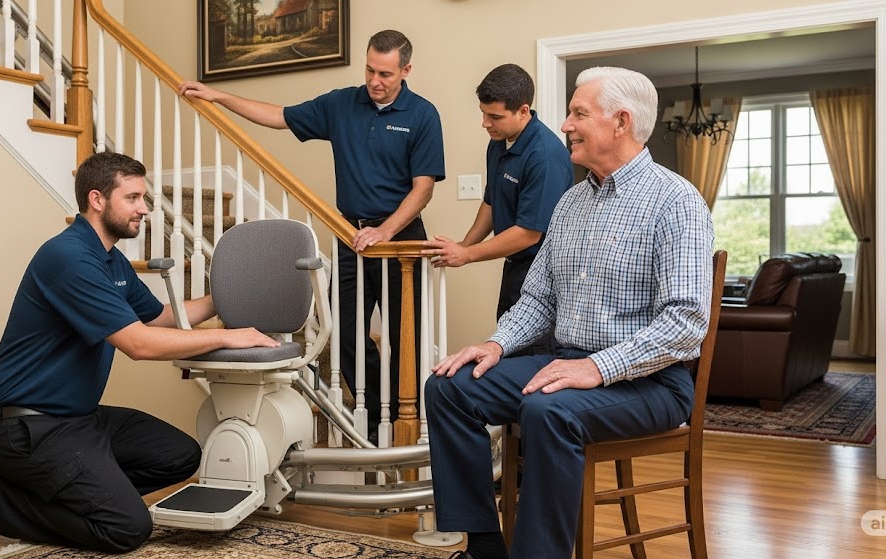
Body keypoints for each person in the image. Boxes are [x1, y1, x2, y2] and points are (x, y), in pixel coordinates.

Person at [425, 67, 714, 559]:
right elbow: (538, 300)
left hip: (652, 382)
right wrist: (495, 345)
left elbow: (685, 325)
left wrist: (596, 368)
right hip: (565, 363)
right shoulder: (571, 204)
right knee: (449, 386)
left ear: (621, 122)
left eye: (579, 113)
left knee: (547, 410)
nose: (564, 125)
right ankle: (486, 548)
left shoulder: (676, 202)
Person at [0, 152, 280, 552]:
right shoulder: (69, 257)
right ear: (97, 199)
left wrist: (224, 298)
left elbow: (158, 317)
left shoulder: (112, 260)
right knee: (125, 528)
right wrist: (227, 337)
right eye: (134, 198)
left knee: (179, 455)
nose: (145, 208)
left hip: (78, 418)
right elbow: (138, 343)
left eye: (144, 198)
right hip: (26, 428)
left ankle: (84, 489)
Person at [179, 30, 445, 443]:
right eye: (371, 70)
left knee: (403, 335)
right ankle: (376, 419)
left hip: (399, 238)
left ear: (405, 70)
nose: (376, 80)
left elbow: (423, 187)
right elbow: (279, 116)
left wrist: (385, 231)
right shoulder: (342, 103)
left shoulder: (423, 115)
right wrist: (219, 97)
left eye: (386, 73)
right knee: (341, 331)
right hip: (350, 235)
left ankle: (405, 423)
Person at [421, 63, 572, 356]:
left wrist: (466, 255)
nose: (485, 123)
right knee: (506, 350)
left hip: (542, 276)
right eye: (483, 113)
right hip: (513, 270)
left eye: (494, 116)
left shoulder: (545, 156)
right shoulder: (499, 142)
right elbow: (492, 201)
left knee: (531, 359)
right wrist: (464, 244)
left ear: (523, 111)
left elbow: (528, 234)